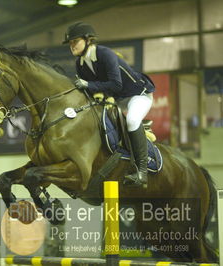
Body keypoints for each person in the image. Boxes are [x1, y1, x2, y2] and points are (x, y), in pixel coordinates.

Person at [63, 22, 155, 186]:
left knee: (132, 120)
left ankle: (142, 172)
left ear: (88, 40)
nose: (72, 46)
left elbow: (116, 85)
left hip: (138, 94)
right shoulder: (80, 64)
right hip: (118, 99)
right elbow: (94, 90)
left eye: (75, 41)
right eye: (70, 43)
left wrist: (89, 85)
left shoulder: (105, 54)